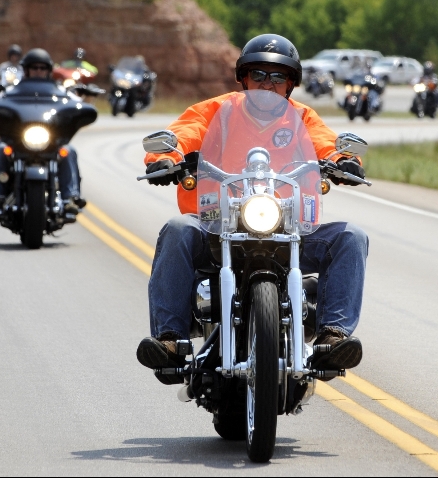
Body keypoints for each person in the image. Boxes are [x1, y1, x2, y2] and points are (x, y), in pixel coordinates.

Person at [136, 34, 369, 384]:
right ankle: (170, 340)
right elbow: (183, 132)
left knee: (351, 236)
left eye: (278, 77)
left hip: (289, 227)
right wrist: (166, 157)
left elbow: (326, 144)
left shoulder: (302, 117)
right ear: (243, 78)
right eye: (259, 75)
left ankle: (332, 336)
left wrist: (343, 160)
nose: (267, 84)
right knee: (177, 229)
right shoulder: (219, 110)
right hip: (218, 224)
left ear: (291, 83)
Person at [0, 48, 85, 215]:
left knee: (68, 151)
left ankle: (70, 198)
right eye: (34, 68)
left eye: (42, 68)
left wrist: (86, 98)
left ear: (48, 71)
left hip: (49, 140)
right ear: (26, 70)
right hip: (18, 138)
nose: (38, 71)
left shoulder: (59, 91)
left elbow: (77, 103)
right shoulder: (12, 90)